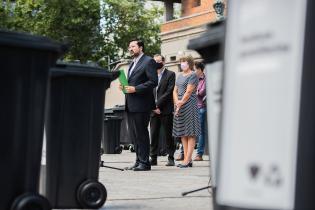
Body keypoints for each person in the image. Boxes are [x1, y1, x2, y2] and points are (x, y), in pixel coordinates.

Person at [121, 39, 158, 171]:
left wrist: (135, 89)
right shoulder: (132, 63)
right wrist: (125, 87)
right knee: (135, 134)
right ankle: (138, 161)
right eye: (129, 46)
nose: (130, 48)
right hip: (130, 103)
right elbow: (132, 82)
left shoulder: (148, 61)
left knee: (141, 133)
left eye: (133, 46)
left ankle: (145, 162)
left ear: (141, 48)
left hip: (142, 104)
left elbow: (153, 82)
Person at [172, 55, 201, 168]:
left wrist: (180, 103)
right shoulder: (179, 76)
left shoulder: (193, 75)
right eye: (181, 62)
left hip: (189, 105)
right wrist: (177, 102)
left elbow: (189, 91)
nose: (182, 63)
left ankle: (188, 160)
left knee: (190, 133)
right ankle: (186, 159)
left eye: (184, 61)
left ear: (189, 63)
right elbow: (174, 90)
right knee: (183, 133)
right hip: (179, 105)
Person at [150, 54, 176, 166]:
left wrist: (158, 105)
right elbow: (148, 91)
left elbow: (169, 92)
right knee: (153, 134)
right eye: (155, 61)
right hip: (153, 110)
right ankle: (153, 157)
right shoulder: (150, 75)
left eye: (159, 61)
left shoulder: (170, 74)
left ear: (164, 62)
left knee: (168, 134)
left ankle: (171, 157)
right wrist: (153, 107)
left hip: (165, 109)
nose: (157, 63)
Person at [194, 61, 207, 161]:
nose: (194, 71)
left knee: (201, 131)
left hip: (201, 107)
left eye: (195, 69)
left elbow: (201, 92)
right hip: (192, 107)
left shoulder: (206, 79)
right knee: (189, 131)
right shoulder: (193, 79)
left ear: (199, 69)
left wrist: (195, 91)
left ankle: (199, 154)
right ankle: (183, 153)